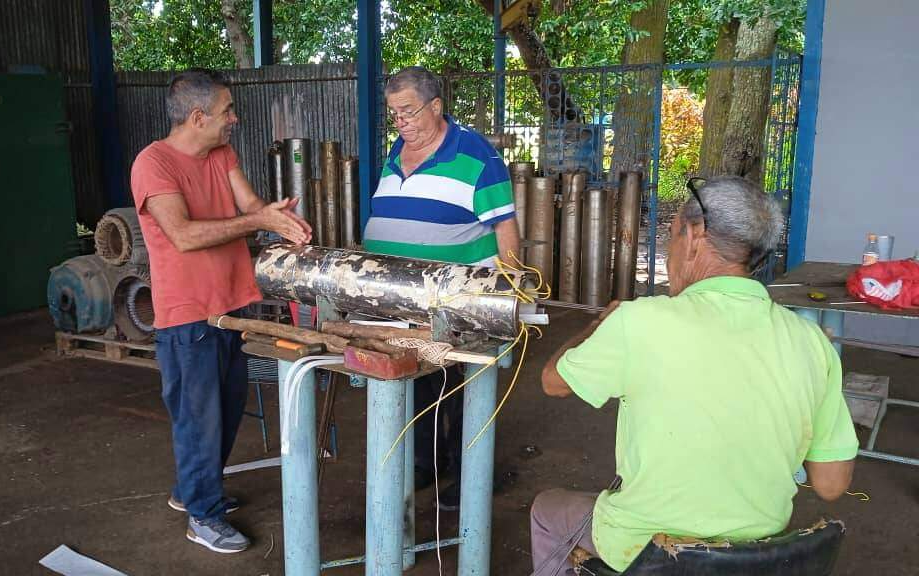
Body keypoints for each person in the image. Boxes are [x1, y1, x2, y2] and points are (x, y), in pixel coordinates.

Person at [532, 176, 858, 574]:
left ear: (694, 234)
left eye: (671, 237)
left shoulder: (640, 321)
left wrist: (604, 323)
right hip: (759, 559)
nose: (669, 252)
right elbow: (831, 484)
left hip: (650, 548)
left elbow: (553, 381)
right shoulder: (811, 342)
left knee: (547, 509)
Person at [130, 69, 310, 554]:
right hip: (188, 316)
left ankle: (192, 490)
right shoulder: (154, 164)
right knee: (198, 418)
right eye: (227, 110)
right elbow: (184, 235)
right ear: (197, 116)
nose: (234, 118)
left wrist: (274, 215)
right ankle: (202, 516)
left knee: (226, 412)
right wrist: (256, 220)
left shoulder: (221, 152)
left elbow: (249, 203)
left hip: (232, 306)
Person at [362, 66, 520, 510]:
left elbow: (505, 224)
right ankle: (427, 462)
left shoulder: (475, 154)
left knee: (463, 387)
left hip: (458, 298)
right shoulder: (398, 150)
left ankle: (469, 472)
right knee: (422, 382)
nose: (402, 123)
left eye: (409, 112)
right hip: (405, 300)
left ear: (436, 106)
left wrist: (508, 293)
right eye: (394, 114)